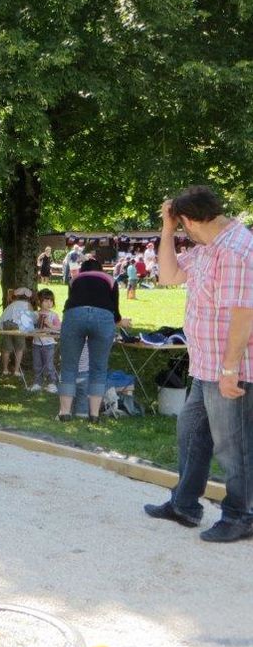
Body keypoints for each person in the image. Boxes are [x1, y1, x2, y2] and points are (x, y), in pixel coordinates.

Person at [145, 186, 253, 543]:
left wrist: (229, 370)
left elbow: (244, 313)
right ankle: (185, 504)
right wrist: (166, 230)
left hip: (230, 368)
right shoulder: (208, 247)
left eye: (180, 224)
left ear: (189, 220)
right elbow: (168, 275)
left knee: (233, 447)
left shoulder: (237, 250)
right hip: (205, 366)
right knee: (191, 435)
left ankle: (241, 515)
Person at [56, 258, 130, 422]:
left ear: (82, 270)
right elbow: (115, 312)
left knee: (69, 366)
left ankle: (64, 412)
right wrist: (117, 321)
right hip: (103, 318)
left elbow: (72, 301)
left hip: (74, 315)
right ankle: (94, 415)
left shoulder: (75, 279)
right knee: (99, 368)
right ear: (101, 270)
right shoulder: (110, 280)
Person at [0, 287, 35, 377]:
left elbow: (4, 315)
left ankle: (5, 369)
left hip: (7, 323)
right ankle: (16, 370)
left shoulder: (12, 304)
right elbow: (31, 318)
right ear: (28, 297)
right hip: (19, 325)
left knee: (6, 348)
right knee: (19, 348)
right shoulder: (28, 305)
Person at [30, 289, 60, 393]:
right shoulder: (35, 314)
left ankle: (52, 383)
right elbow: (29, 326)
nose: (49, 303)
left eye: (51, 301)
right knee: (37, 364)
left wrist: (50, 325)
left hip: (49, 344)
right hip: (36, 343)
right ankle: (37, 383)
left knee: (49, 365)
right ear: (39, 301)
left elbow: (58, 328)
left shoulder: (53, 315)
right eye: (46, 301)